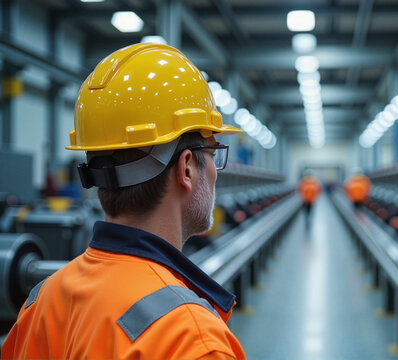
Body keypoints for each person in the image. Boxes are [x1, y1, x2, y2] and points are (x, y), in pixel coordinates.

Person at [1, 43, 246, 359]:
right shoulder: (193, 341)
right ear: (186, 168)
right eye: (213, 155)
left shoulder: (41, 301)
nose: (215, 171)